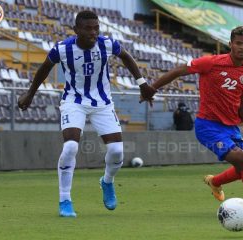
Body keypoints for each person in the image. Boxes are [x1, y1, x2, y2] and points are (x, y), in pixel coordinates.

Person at [140, 26, 243, 217]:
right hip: (207, 126)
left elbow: (242, 103)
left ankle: (215, 182)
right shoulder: (211, 63)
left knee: (242, 168)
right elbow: (178, 71)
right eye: (238, 43)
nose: (242, 47)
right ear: (230, 44)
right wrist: (151, 88)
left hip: (231, 127)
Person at [18, 10, 154, 217]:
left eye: (96, 28)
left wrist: (142, 84)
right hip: (74, 101)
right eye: (88, 28)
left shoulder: (107, 44)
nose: (93, 32)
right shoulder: (63, 49)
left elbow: (126, 57)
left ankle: (107, 181)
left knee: (117, 151)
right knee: (71, 146)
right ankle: (65, 200)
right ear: (76, 30)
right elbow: (44, 69)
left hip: (102, 103)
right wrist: (30, 94)